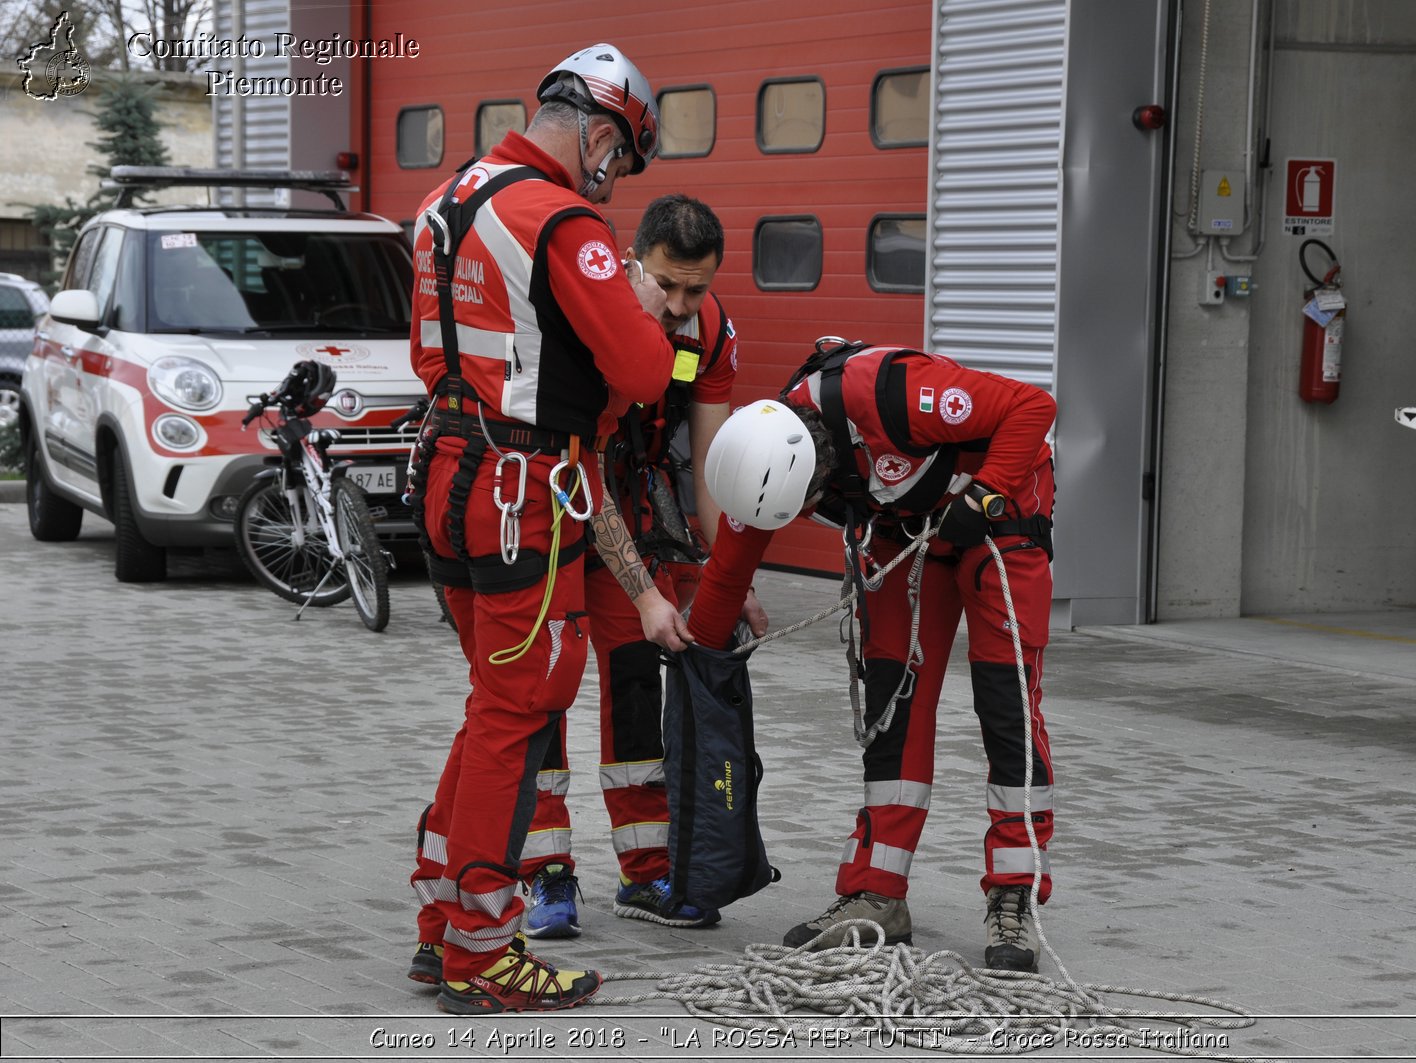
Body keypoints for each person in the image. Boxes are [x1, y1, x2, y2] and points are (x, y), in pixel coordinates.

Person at [404, 43, 694, 1015]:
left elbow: (428, 351)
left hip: (446, 467)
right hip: (520, 489)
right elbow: (651, 374)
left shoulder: (443, 204)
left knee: (493, 702)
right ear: (605, 132)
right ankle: (483, 951)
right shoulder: (563, 219)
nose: (616, 180)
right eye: (623, 158)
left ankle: (441, 920)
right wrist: (641, 321)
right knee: (519, 713)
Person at [687, 339, 1058, 973]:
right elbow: (726, 576)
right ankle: (876, 895)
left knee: (1006, 708)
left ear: (817, 472)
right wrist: (696, 664)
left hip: (998, 516)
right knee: (895, 708)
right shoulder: (763, 454)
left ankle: (1013, 897)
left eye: (807, 507)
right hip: (904, 530)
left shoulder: (894, 396)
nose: (806, 518)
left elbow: (1032, 405)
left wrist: (984, 494)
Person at [523, 193, 764, 936]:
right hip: (551, 502)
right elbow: (581, 466)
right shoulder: (594, 320)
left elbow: (713, 469)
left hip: (630, 509)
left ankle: (648, 871)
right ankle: (545, 873)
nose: (681, 305)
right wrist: (650, 590)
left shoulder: (712, 334)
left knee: (634, 679)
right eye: (668, 285)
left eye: (698, 288)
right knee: (542, 690)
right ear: (632, 263)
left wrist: (730, 575)